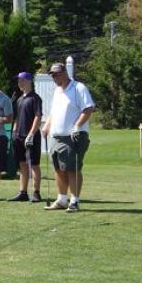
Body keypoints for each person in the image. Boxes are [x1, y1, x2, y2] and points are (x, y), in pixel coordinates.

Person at [41, 63, 95, 213]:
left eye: (57, 74)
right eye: (52, 75)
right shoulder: (57, 91)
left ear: (65, 73)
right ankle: (62, 199)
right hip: (56, 136)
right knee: (59, 169)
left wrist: (77, 126)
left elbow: (88, 108)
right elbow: (53, 113)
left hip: (73, 136)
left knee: (72, 169)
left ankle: (74, 201)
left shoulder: (78, 88)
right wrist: (46, 126)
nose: (54, 78)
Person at [8, 72, 43, 203]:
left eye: (22, 80)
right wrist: (15, 131)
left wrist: (31, 134)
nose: (19, 83)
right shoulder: (19, 99)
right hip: (19, 136)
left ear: (29, 81)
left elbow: (38, 117)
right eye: (18, 80)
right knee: (22, 164)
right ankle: (23, 192)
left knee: (34, 164)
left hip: (31, 136)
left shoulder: (35, 98)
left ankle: (36, 193)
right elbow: (18, 117)